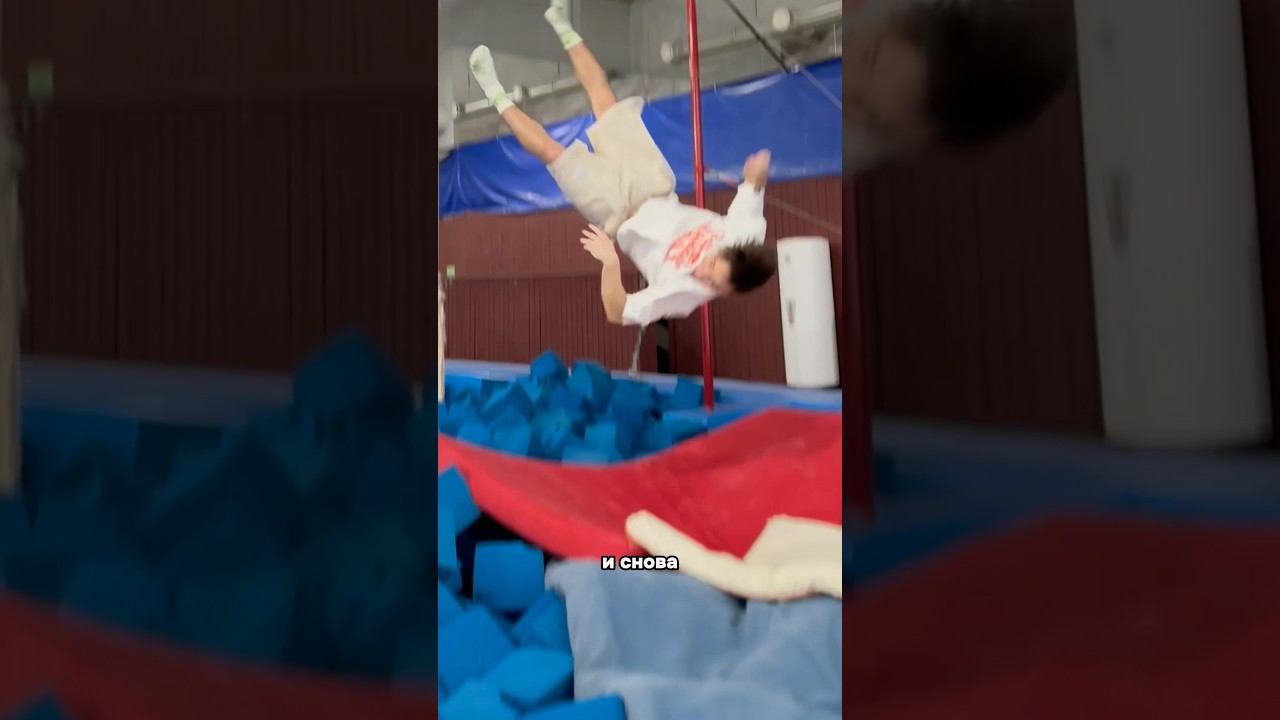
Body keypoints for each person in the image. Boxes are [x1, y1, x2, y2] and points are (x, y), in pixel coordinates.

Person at [467, 0, 777, 328]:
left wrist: (610, 262)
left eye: (713, 282)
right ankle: (561, 23)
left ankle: (492, 89)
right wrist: (756, 175)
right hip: (652, 185)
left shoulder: (681, 295)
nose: (703, 272)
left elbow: (617, 312)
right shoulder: (746, 235)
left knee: (551, 152)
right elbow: (751, 192)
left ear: (728, 292)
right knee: (605, 101)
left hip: (615, 209)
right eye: (712, 264)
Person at [845, 0, 1074, 169]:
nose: (842, 85)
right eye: (868, 58)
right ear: (895, 16)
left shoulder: (853, 145)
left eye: (871, 117)